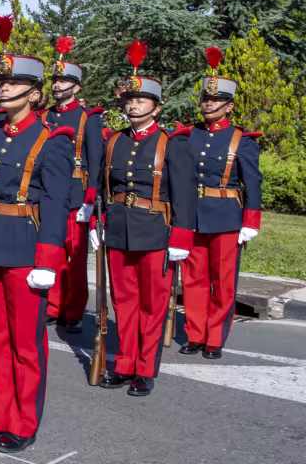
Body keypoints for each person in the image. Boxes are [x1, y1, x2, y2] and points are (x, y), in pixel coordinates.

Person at [0, 46, 74, 454]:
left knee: (25, 342)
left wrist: (48, 261)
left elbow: (56, 205)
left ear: (34, 94)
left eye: (14, 83)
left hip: (25, 247)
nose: (5, 88)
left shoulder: (51, 140)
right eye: (3, 81)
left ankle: (23, 422)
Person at [94, 42, 196, 397]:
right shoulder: (114, 141)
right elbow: (103, 188)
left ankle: (145, 369)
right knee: (123, 302)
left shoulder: (173, 144)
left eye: (140, 100)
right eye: (129, 100)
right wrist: (98, 224)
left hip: (155, 231)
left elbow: (184, 196)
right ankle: (124, 364)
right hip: (119, 230)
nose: (133, 105)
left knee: (153, 305)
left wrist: (181, 238)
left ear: (157, 106)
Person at [181, 47, 261, 359]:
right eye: (205, 99)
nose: (208, 104)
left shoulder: (242, 140)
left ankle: (215, 337)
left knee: (223, 282)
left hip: (227, 216)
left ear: (229, 106)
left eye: (215, 100)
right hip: (193, 215)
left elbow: (253, 182)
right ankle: (195, 334)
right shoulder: (188, 135)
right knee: (193, 279)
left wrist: (250, 222)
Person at [40, 37, 105, 332]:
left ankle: (74, 309)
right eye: (55, 80)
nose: (57, 85)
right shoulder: (45, 116)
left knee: (75, 257)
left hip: (76, 195)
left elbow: (96, 161)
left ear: (76, 87)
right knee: (51, 251)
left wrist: (90, 200)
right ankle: (53, 305)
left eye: (63, 81)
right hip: (48, 193)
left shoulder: (87, 118)